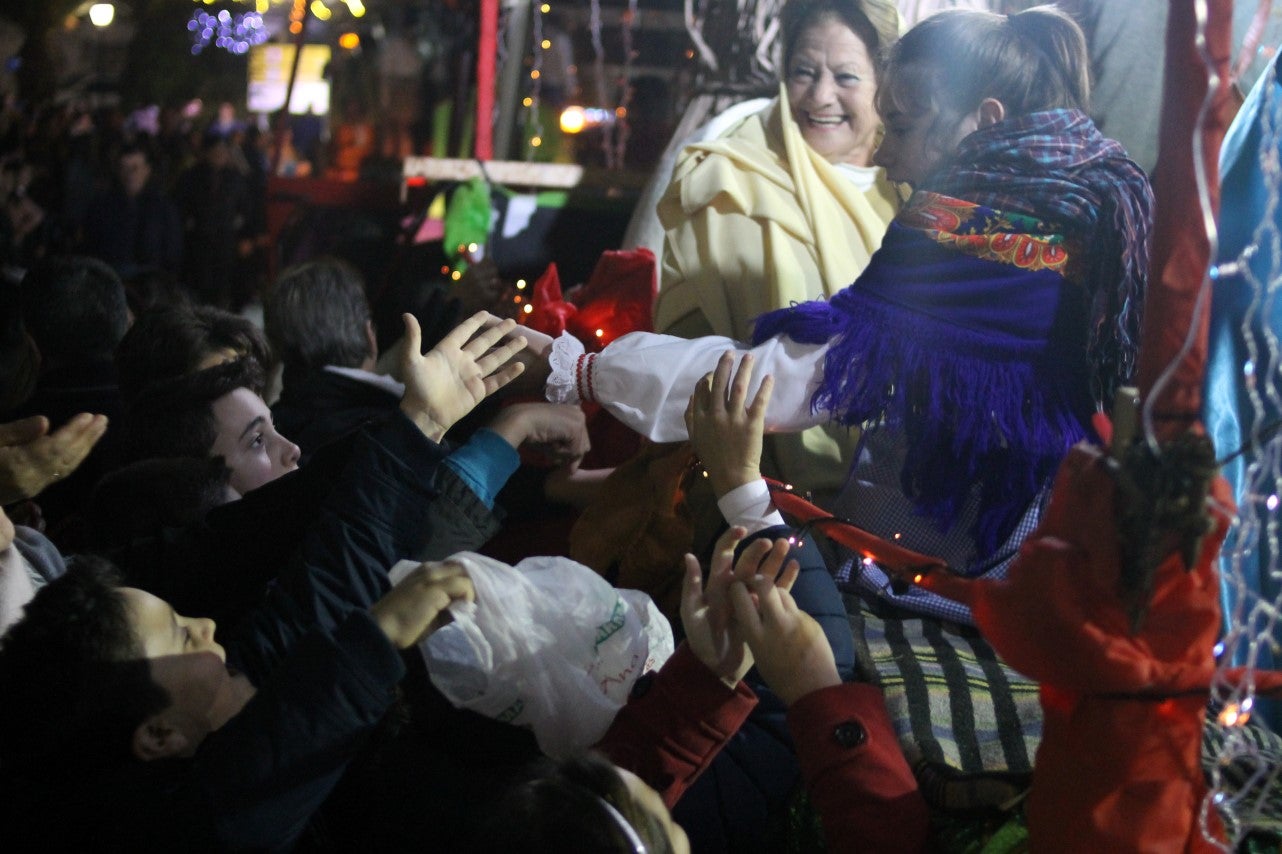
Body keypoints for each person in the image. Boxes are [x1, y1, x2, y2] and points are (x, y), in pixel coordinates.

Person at [544, 5, 1151, 623]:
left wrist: (578, 369)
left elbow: (789, 381)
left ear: (985, 122)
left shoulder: (959, 233)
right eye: (804, 73)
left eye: (903, 127)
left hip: (942, 568)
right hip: (1046, 559)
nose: (884, 155)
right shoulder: (1088, 198)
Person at [652, 0, 902, 496]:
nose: (821, 97)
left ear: (886, 82)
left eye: (846, 77)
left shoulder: (911, 180)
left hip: (894, 485)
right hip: (750, 482)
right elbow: (691, 342)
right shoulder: (730, 174)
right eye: (804, 72)